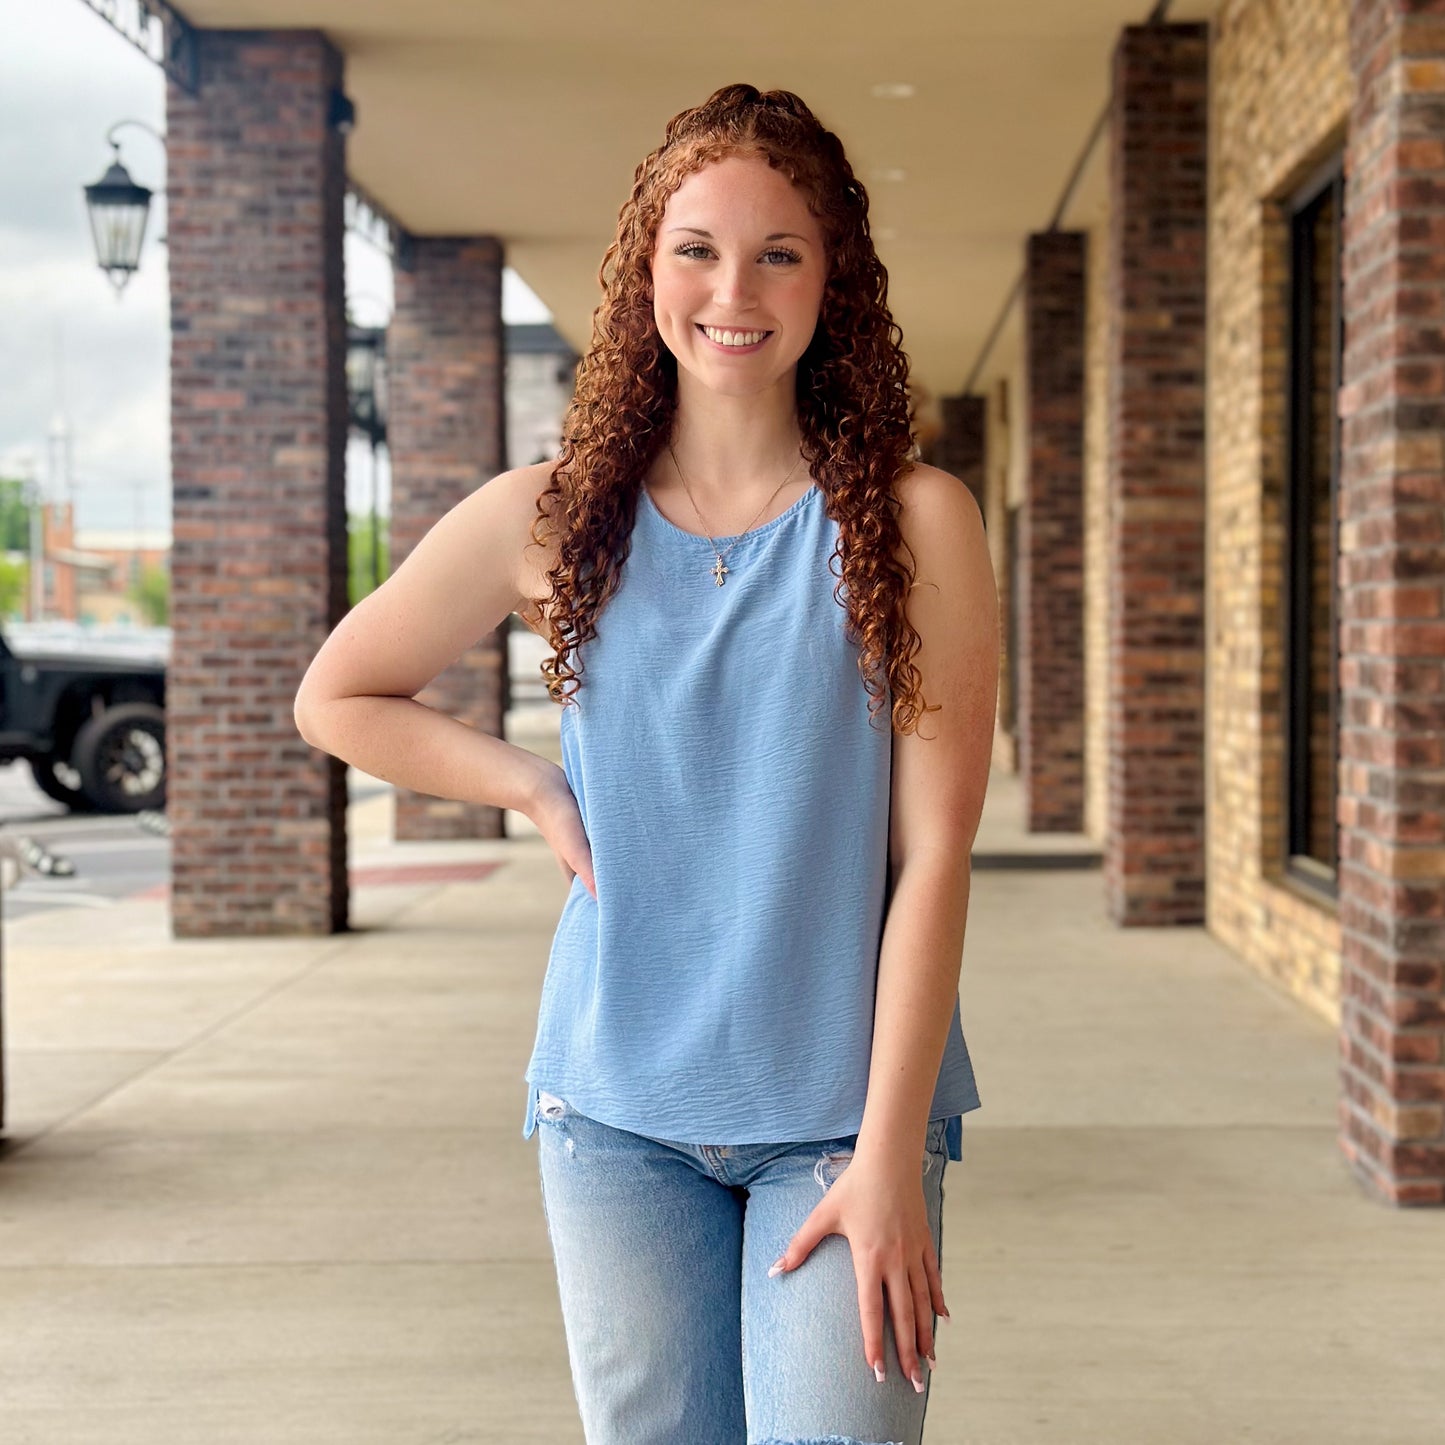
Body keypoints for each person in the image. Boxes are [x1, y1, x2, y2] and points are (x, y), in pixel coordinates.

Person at [295, 82, 998, 1445]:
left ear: (830, 278)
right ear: (644, 271)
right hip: (615, 1113)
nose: (732, 288)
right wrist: (532, 783)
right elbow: (340, 693)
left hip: (836, 1115)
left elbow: (933, 858)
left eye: (777, 251)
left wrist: (890, 1151)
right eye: (697, 248)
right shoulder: (552, 519)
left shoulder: (915, 524)